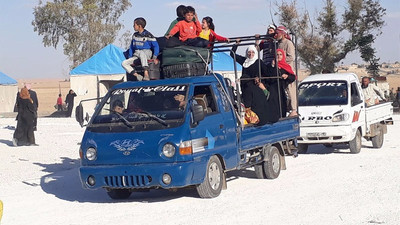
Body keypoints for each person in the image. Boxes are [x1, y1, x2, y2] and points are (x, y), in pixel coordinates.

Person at [230, 40, 278, 124]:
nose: (251, 54)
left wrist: (272, 66)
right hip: (245, 87)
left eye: (253, 52)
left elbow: (267, 73)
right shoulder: (245, 61)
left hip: (255, 88)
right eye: (249, 52)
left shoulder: (258, 62)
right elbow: (232, 54)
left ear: (255, 53)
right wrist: (236, 44)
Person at [259, 48, 296, 119]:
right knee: (273, 108)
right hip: (272, 91)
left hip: (281, 90)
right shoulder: (270, 66)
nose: (279, 56)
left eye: (280, 54)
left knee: (282, 108)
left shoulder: (286, 66)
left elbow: (293, 77)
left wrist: (287, 76)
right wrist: (273, 66)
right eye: (277, 54)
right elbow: (268, 76)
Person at [122, 17, 160, 81]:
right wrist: (129, 57)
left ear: (139, 26)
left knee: (141, 53)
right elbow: (131, 47)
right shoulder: (134, 35)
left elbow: (156, 46)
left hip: (146, 53)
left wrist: (154, 57)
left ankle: (146, 73)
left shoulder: (148, 35)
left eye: (134, 25)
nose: (133, 26)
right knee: (124, 63)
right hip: (137, 55)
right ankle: (137, 76)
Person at [276, 26, 297, 116]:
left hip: (288, 70)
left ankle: (294, 109)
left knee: (290, 90)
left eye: (278, 33)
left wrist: (281, 60)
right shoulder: (277, 44)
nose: (276, 35)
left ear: (283, 34)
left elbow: (291, 57)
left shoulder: (288, 43)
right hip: (279, 70)